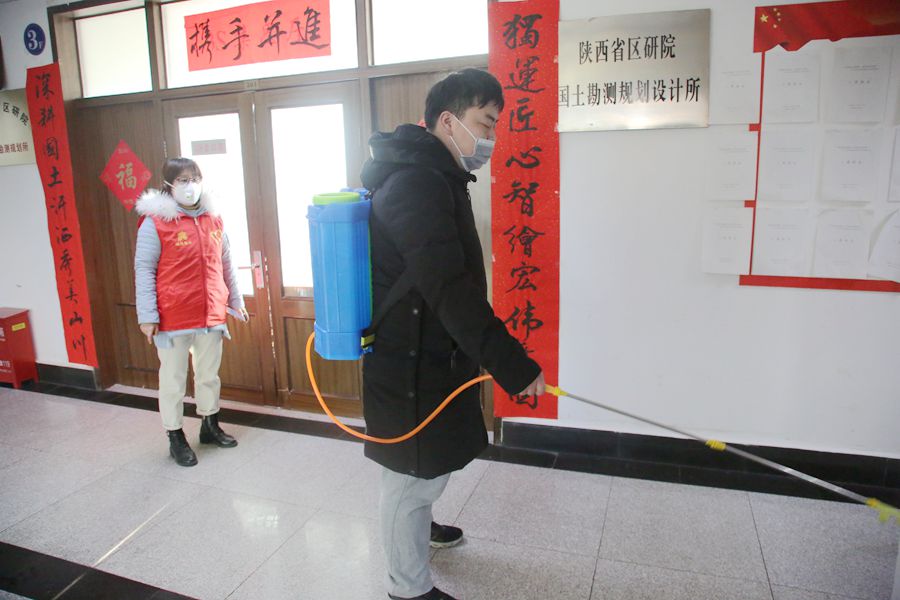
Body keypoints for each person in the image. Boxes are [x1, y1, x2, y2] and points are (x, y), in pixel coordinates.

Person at [360, 69, 545, 600]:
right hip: (407, 363)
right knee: (408, 478)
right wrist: (513, 366)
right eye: (485, 122)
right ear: (448, 120)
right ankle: (407, 588)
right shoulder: (416, 183)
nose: (491, 137)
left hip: (429, 354)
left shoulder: (434, 174)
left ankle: (420, 528)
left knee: (427, 467)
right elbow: (450, 288)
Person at [134, 157, 248, 467]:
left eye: (195, 179)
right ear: (168, 184)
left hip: (211, 311)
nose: (190, 186)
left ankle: (210, 425)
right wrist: (147, 316)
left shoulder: (214, 218)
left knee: (208, 375)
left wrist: (235, 300)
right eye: (182, 180)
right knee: (173, 380)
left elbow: (226, 262)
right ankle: (175, 436)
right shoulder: (155, 222)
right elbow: (144, 269)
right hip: (173, 316)